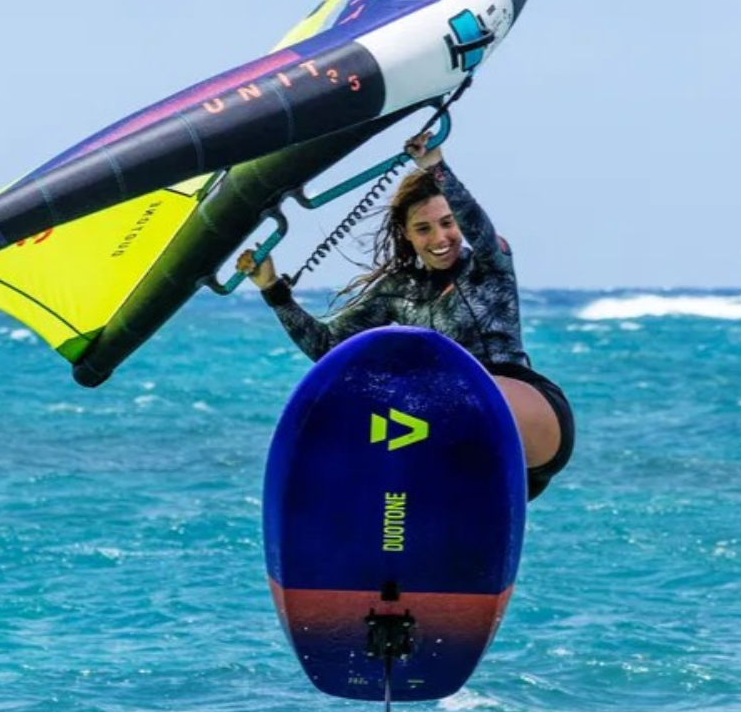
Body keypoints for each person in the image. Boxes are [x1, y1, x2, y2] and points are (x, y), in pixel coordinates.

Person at [238, 130, 574, 500]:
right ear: (407, 235)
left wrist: (436, 167)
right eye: (424, 228)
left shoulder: (489, 265)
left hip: (527, 418)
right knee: (362, 401)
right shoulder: (398, 289)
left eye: (448, 223)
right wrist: (273, 289)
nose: (440, 237)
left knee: (434, 390)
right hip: (462, 447)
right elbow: (327, 348)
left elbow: (481, 229)